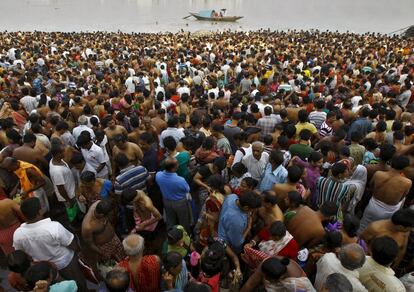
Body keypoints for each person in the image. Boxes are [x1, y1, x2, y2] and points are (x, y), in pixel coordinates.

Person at [13, 197, 87, 291]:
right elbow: (71, 243)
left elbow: (22, 254)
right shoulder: (54, 227)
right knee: (77, 282)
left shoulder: (18, 234)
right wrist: (78, 252)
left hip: (44, 270)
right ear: (39, 212)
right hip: (65, 263)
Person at [358, 155, 412, 233]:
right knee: (381, 231)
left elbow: (371, 186)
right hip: (390, 211)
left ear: (391, 163)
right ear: (404, 168)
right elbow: (402, 198)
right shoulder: (407, 182)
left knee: (362, 227)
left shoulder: (378, 174)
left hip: (373, 206)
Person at [155, 157, 192, 233]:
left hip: (166, 201)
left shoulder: (158, 175)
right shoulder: (180, 180)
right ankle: (185, 236)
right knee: (183, 221)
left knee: (170, 220)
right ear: (173, 168)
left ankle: (171, 235)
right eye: (177, 164)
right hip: (180, 203)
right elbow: (187, 189)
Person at [241, 257, 315, 292]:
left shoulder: (298, 285)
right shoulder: (267, 264)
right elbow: (250, 283)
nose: (265, 279)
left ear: (280, 278)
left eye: (269, 279)